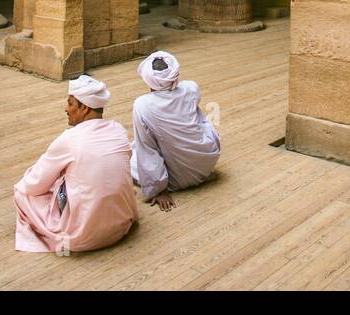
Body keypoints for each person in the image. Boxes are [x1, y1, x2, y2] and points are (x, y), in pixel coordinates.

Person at [13, 75, 139, 253]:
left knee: (21, 193)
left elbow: (34, 184)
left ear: (85, 108)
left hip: (84, 236)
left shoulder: (69, 139)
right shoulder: (118, 130)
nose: (66, 109)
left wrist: (30, 177)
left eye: (70, 103)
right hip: (120, 227)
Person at [130, 50, 221, 212]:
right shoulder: (191, 88)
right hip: (206, 162)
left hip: (180, 178)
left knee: (133, 156)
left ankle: (161, 182)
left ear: (148, 79)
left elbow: (148, 149)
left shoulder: (142, 105)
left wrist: (159, 190)